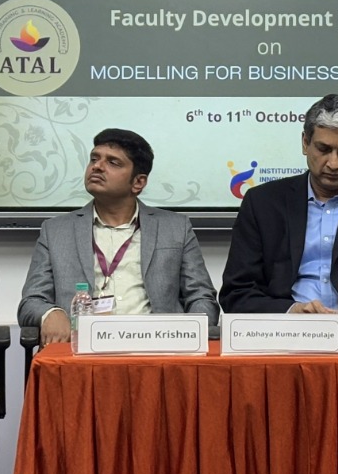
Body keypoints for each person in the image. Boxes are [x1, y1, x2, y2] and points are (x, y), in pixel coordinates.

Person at [219, 93, 338, 314]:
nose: (333, 163)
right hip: (283, 328)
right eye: (323, 149)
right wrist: (291, 312)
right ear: (305, 143)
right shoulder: (262, 203)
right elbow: (237, 292)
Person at [18, 128, 217, 343]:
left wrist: (187, 335)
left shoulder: (175, 228)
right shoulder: (56, 231)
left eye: (113, 162)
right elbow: (32, 301)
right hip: (82, 348)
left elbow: (202, 297)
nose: (97, 166)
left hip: (158, 347)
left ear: (138, 182)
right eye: (94, 158)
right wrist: (50, 313)